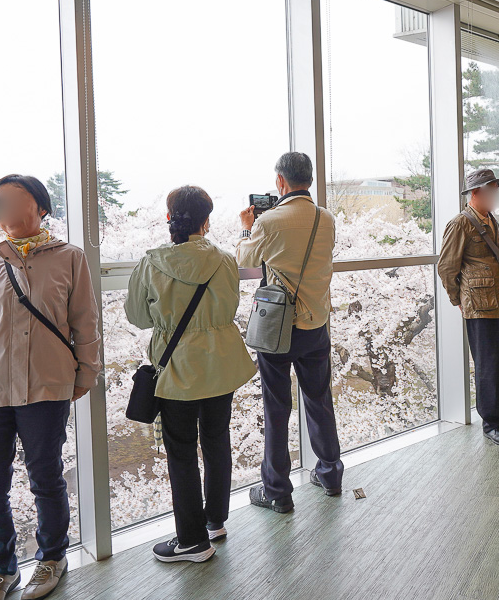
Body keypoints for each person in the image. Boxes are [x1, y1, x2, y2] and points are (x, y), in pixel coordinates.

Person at [0, 174, 102, 600]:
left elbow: (84, 321)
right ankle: (0, 570)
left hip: (47, 386)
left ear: (41, 207)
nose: (5, 208)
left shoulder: (70, 257)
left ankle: (52, 557)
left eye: (15, 199)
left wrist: (85, 373)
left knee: (46, 477)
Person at [125, 186, 256, 564]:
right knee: (217, 440)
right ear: (206, 221)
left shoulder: (151, 263)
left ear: (170, 219)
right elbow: (229, 305)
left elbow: (137, 317)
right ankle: (215, 522)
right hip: (221, 364)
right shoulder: (225, 260)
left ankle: (192, 541)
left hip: (177, 368)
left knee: (180, 452)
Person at [237, 152, 343, 513]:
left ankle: (278, 492)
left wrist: (246, 227)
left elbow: (246, 261)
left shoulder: (270, 221)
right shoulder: (327, 219)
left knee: (277, 406)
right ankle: (330, 474)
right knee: (319, 399)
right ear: (309, 180)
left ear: (280, 181)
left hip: (278, 329)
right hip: (316, 324)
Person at [437, 168, 499, 447]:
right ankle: (492, 422)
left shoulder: (492, 221)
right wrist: (460, 300)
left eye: (496, 189)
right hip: (479, 308)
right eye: (490, 189)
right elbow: (446, 267)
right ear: (475, 193)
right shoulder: (460, 224)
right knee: (488, 366)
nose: (495, 195)